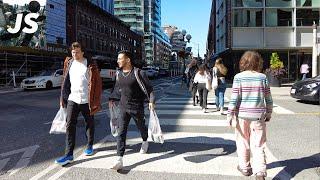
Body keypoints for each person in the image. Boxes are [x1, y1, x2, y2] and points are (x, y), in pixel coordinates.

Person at [227, 51, 273, 180]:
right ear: (258, 63)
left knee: (243, 142)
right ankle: (260, 172)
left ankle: (245, 168)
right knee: (258, 144)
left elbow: (234, 98)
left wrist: (230, 115)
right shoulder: (262, 77)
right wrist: (269, 112)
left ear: (243, 62)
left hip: (242, 115)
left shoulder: (238, 77)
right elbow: (268, 98)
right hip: (258, 116)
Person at [55, 42, 102, 166]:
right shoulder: (69, 63)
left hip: (87, 100)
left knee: (89, 123)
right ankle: (69, 154)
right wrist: (62, 98)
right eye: (72, 52)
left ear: (82, 52)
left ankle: (89, 145)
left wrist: (96, 101)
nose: (74, 54)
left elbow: (97, 84)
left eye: (77, 52)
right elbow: (65, 81)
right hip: (73, 98)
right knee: (70, 124)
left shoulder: (91, 64)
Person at [109, 50, 155, 170]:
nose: (118, 61)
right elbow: (116, 88)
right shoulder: (118, 73)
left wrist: (151, 101)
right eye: (118, 59)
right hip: (123, 107)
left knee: (141, 127)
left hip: (136, 107)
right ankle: (119, 158)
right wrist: (112, 99)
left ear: (128, 60)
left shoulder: (139, 73)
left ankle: (145, 141)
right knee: (121, 132)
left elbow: (150, 89)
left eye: (120, 59)